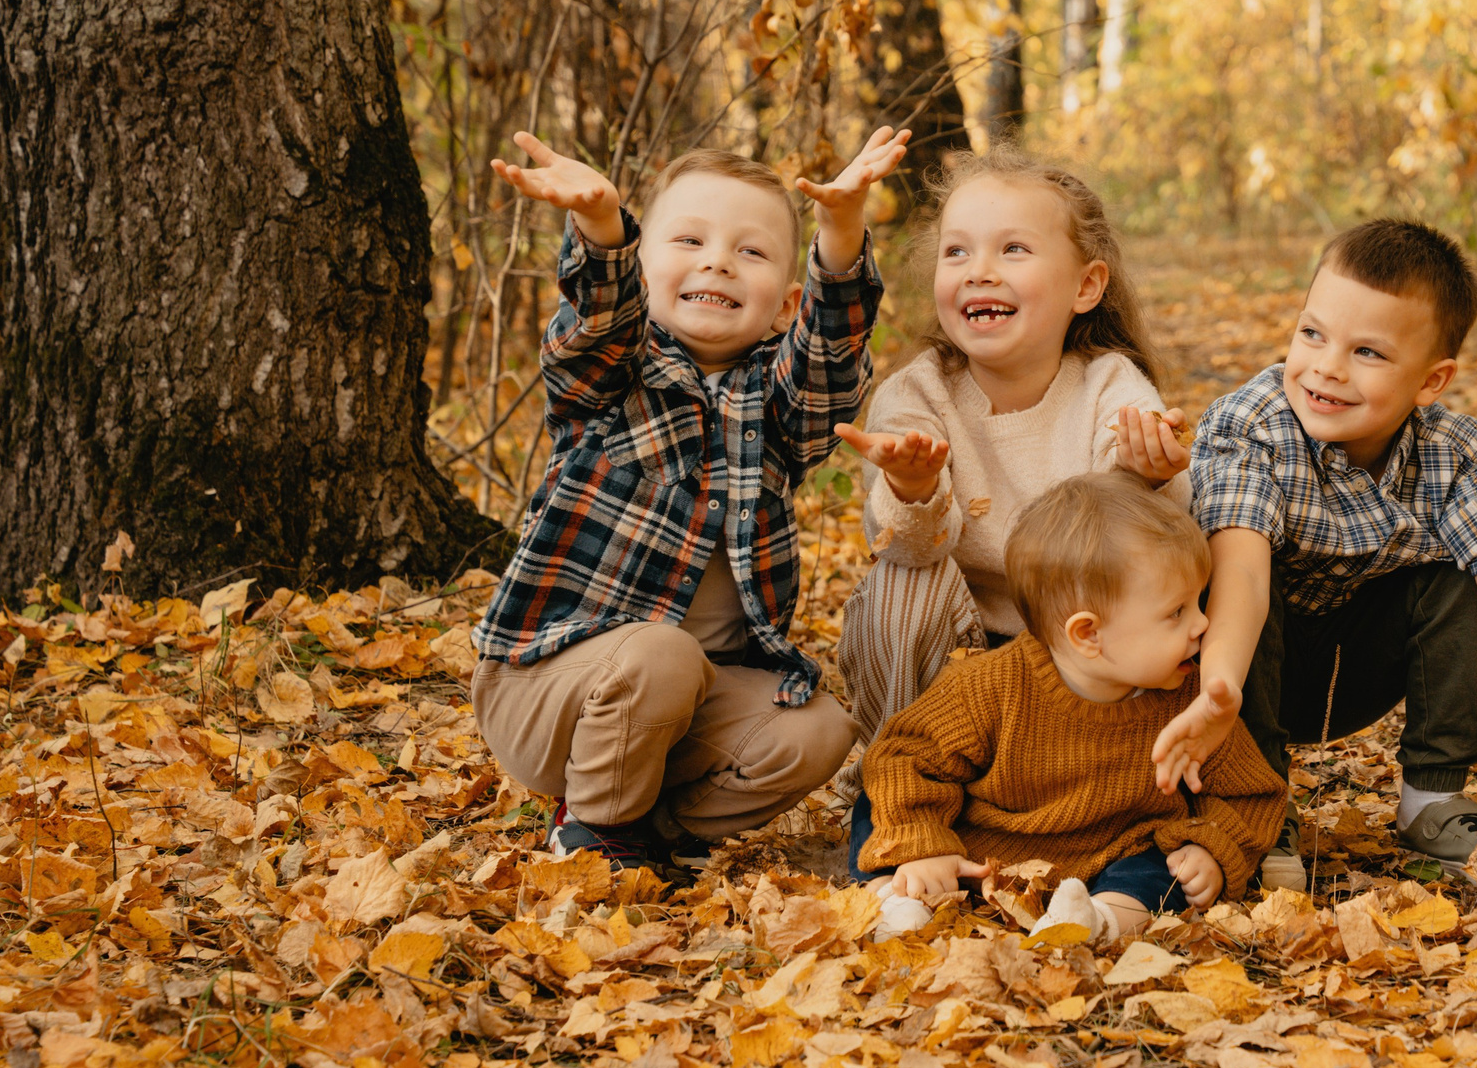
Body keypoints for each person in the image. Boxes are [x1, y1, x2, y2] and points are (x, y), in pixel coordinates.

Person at [1151, 219, 1477, 893]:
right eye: (1312, 333)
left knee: (1473, 563)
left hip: (1358, 665)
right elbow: (1240, 575)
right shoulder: (1253, 426)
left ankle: (1431, 800)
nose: (1327, 366)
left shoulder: (1453, 456)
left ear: (1430, 380)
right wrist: (1220, 689)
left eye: (1369, 353)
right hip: (1237, 666)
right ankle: (1254, 800)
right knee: (1234, 565)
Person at [468, 126, 907, 879]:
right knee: (660, 652)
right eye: (691, 240)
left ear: (784, 307)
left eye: (752, 252)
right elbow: (597, 326)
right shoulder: (610, 382)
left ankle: (647, 827)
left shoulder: (775, 414)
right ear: (641, 272)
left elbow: (828, 365)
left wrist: (840, 229)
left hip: (681, 708)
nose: (718, 261)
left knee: (819, 727)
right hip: (547, 687)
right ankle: (595, 831)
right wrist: (603, 228)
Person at [832, 149, 1189, 743]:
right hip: (957, 652)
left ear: (1086, 285)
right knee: (900, 582)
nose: (979, 270)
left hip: (1077, 645)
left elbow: (1152, 545)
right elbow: (912, 549)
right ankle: (899, 773)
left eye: (1013, 249)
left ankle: (1115, 780)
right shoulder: (918, 394)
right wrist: (914, 487)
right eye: (957, 251)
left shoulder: (1108, 385)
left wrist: (1144, 476)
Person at [852, 472, 1286, 945]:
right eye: (1177, 611)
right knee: (879, 804)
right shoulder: (989, 688)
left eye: (1197, 603)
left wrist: (1211, 848)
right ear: (1088, 634)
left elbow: (1250, 794)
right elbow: (906, 759)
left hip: (1114, 855)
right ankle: (900, 897)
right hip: (977, 851)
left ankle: (1096, 921)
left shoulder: (1190, 702)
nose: (1203, 623)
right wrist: (923, 846)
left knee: (1162, 875)